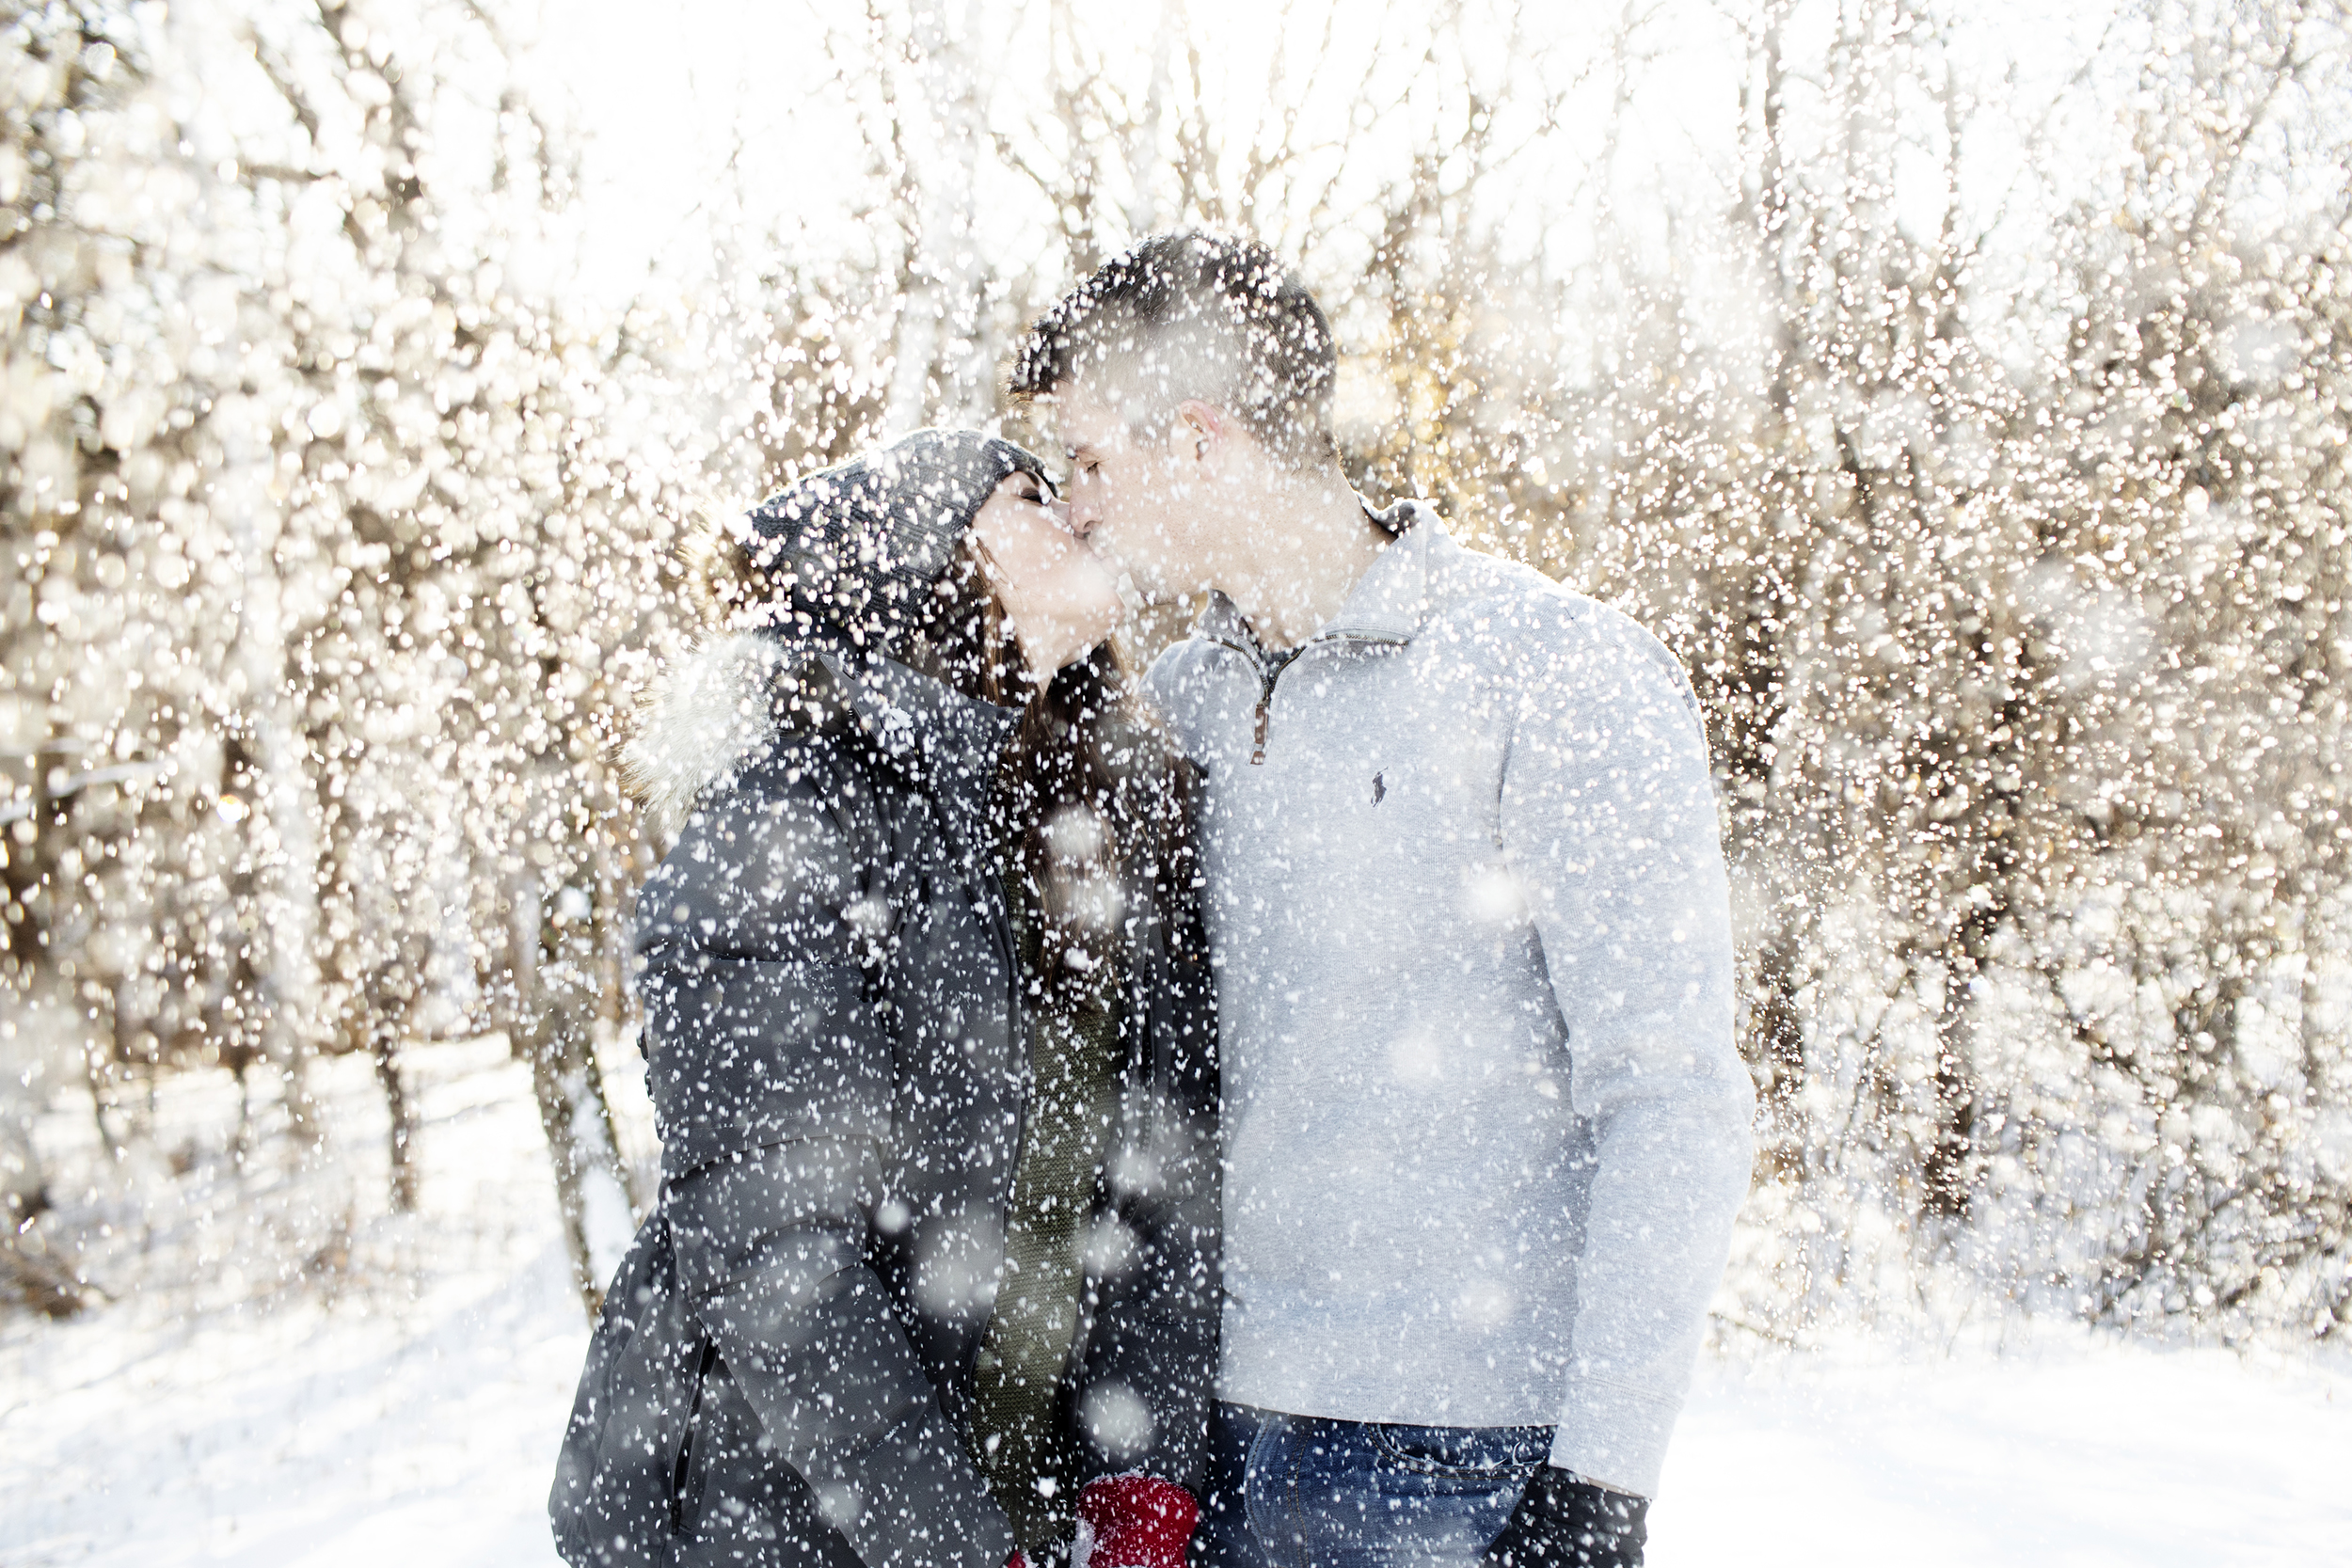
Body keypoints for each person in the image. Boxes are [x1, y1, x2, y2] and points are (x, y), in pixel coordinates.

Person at [1009, 236, 1756, 1568]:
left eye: (1091, 459)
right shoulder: (1184, 698)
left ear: (1196, 440)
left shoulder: (1554, 674)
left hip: (1457, 1463)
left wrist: (1603, 1476)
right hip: (1204, 1451)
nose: (1076, 504)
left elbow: (1672, 1093)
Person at [548, 430, 1219, 1568]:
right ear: (925, 563)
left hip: (1027, 1498)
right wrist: (949, 1543)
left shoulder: (1092, 818)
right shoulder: (786, 820)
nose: (1075, 512)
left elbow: (1161, 1179)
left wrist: (1140, 1477)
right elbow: (776, 1258)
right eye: (1026, 494)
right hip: (784, 1519)